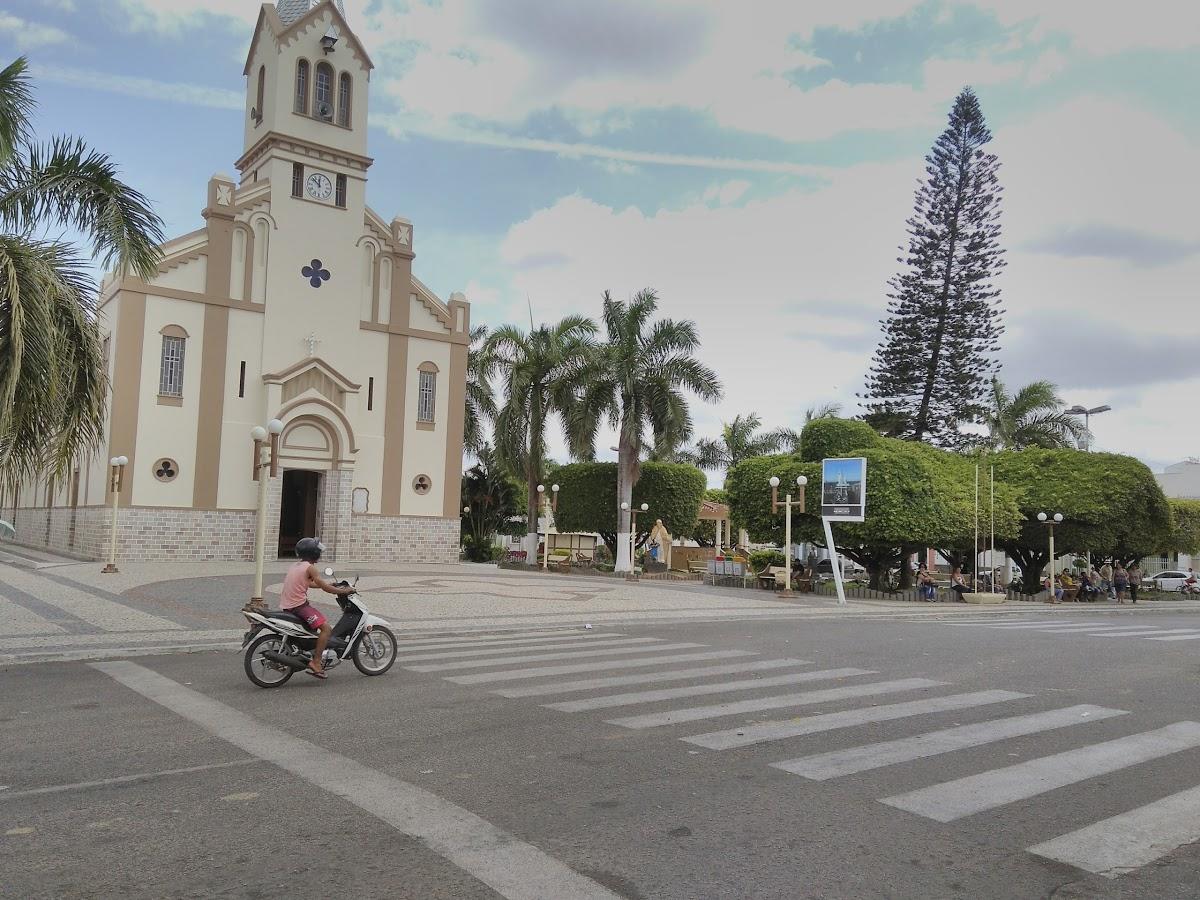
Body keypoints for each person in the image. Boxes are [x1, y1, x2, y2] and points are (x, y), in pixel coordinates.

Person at [279, 537, 353, 679]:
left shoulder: (296, 566)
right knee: (326, 629)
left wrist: (329, 584)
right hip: (299, 607)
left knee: (312, 629)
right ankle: (316, 662)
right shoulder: (310, 568)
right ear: (314, 553)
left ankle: (308, 652)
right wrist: (344, 591)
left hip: (287, 606)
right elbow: (325, 588)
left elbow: (308, 583)